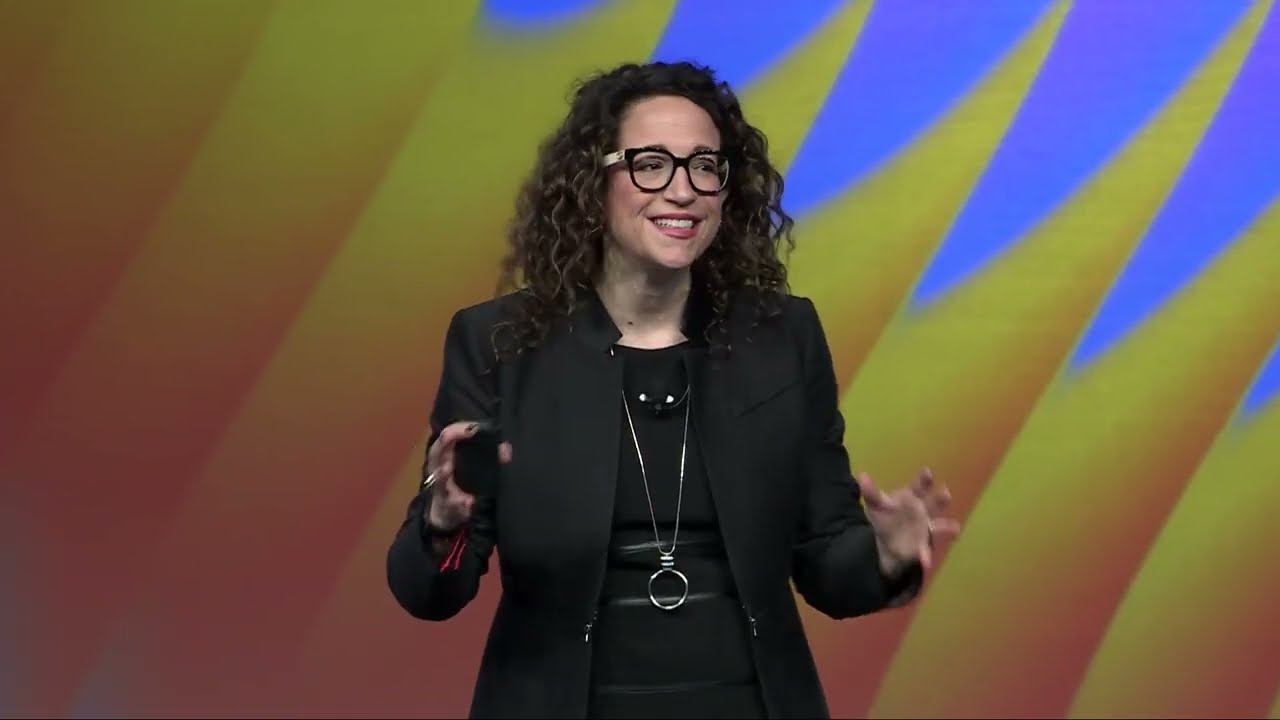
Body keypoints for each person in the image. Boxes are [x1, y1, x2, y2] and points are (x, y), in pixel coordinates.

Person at [386, 60, 959, 720]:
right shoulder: (500, 344)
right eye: (651, 165)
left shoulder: (781, 338)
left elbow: (828, 563)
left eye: (704, 166)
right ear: (593, 181)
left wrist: (884, 556)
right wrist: (443, 523)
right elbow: (430, 594)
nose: (683, 190)